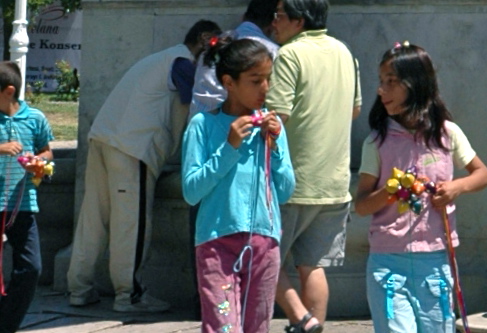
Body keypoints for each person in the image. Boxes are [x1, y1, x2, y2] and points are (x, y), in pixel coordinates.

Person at [69, 17, 221, 315]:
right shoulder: (182, 63)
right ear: (204, 38)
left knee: (93, 220)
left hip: (104, 138)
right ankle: (130, 296)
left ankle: (79, 288)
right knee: (132, 225)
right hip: (132, 148)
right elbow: (195, 113)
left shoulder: (160, 58)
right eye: (215, 44)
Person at [354, 42, 487, 333]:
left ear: (415, 84)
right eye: (381, 82)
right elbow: (362, 204)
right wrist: (389, 192)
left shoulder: (447, 134)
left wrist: (456, 188)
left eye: (391, 82)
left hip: (436, 260)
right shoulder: (376, 142)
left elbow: (482, 174)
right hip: (388, 263)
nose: (381, 90)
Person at [182, 34, 295, 333]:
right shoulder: (203, 126)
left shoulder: (272, 127)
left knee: (257, 327)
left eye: (268, 79)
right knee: (223, 327)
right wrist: (229, 147)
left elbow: (284, 191)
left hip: (264, 243)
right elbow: (191, 191)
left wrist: (276, 148)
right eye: (255, 80)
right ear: (229, 82)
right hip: (216, 243)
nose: (265, 88)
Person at [267, 0, 360, 333]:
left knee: (263, 258)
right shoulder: (344, 52)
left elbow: (277, 119)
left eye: (278, 16)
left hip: (292, 181)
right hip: (335, 182)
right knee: (313, 265)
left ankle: (302, 319)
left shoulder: (289, 54)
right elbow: (354, 111)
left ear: (298, 20)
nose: (274, 23)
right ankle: (314, 324)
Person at [0, 60, 53, 333]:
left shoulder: (35, 118)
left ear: (8, 91)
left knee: (31, 268)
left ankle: (7, 324)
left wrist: (39, 162)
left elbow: (47, 151)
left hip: (22, 204)